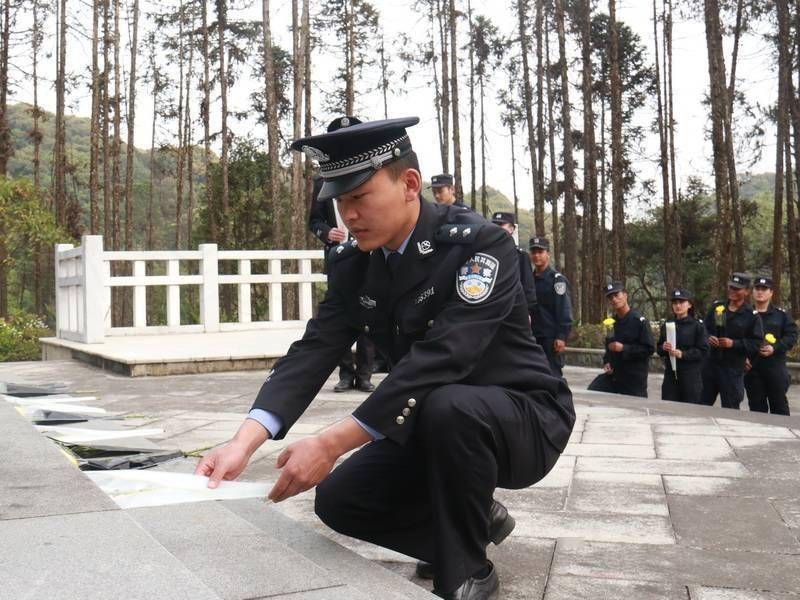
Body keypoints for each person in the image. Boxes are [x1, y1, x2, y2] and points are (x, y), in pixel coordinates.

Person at [195, 117, 575, 600]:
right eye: (339, 201)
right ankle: (472, 519)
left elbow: (444, 356)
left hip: (523, 418)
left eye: (359, 197)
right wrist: (242, 443)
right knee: (341, 500)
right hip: (433, 423)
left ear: (410, 185)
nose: (348, 215)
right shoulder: (357, 263)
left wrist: (332, 443)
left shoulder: (480, 245)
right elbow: (314, 349)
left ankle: (467, 568)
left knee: (449, 404)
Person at [307, 116, 375, 393]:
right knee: (340, 313)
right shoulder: (321, 181)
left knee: (370, 311)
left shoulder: (373, 173)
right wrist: (326, 233)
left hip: (368, 253)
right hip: (338, 257)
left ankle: (366, 374)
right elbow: (313, 221)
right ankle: (345, 374)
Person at [701, 273, 764, 409]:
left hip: (732, 369)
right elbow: (703, 328)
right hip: (710, 364)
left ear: (746, 291)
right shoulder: (717, 307)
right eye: (731, 287)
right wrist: (708, 337)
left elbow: (756, 343)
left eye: (737, 289)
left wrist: (733, 344)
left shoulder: (751, 316)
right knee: (701, 405)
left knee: (730, 408)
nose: (732, 291)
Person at [588, 282, 655, 398]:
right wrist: (607, 362)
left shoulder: (639, 321)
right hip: (615, 377)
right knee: (593, 392)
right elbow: (609, 348)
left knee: (636, 410)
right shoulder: (611, 323)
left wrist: (624, 348)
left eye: (616, 295)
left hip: (633, 378)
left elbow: (649, 349)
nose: (614, 299)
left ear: (625, 295)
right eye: (610, 297)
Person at [744, 276, 797, 415]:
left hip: (775, 367)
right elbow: (738, 338)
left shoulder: (781, 315)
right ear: (752, 291)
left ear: (771, 292)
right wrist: (743, 357)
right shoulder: (745, 314)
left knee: (779, 407)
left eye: (764, 289)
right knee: (756, 409)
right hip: (752, 368)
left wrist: (775, 347)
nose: (760, 292)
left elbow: (791, 336)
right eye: (757, 288)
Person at [529, 236, 572, 377]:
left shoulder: (557, 280)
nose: (537, 256)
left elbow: (564, 309)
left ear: (548, 253)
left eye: (540, 252)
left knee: (552, 376)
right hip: (532, 336)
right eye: (534, 252)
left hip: (550, 338)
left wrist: (561, 336)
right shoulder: (528, 279)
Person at [656, 288, 709, 404]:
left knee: (690, 410)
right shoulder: (668, 324)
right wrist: (663, 347)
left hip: (690, 376)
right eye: (675, 303)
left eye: (681, 302)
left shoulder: (697, 326)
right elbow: (659, 348)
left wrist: (683, 354)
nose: (678, 306)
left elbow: (704, 351)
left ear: (689, 304)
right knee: (669, 408)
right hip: (671, 377)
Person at [490, 212, 537, 325]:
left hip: (514, 310)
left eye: (501, 225)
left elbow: (528, 287)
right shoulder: (488, 255)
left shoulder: (521, 257)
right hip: (491, 312)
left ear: (511, 229)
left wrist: (527, 312)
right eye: (495, 225)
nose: (497, 228)